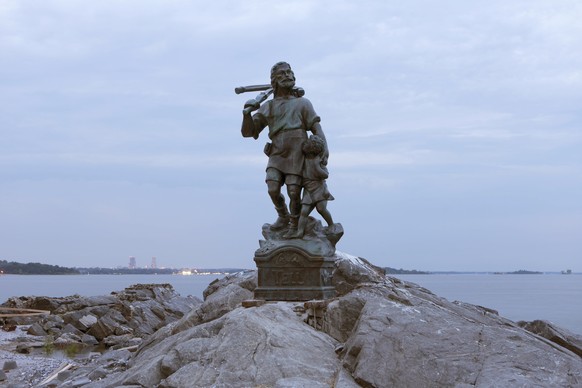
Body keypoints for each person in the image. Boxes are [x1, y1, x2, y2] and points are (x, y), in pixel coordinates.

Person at [241, 62, 328, 231]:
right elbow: (249, 132)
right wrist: (246, 115)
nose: (287, 75)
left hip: (297, 151)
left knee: (294, 192)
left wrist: (324, 148)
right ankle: (283, 216)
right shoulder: (269, 106)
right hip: (277, 151)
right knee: (272, 188)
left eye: (289, 72)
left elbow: (317, 128)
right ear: (274, 80)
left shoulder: (303, 103)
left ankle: (294, 224)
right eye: (282, 73)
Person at [284, 135, 335, 239]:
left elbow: (325, 175)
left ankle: (331, 225)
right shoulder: (303, 160)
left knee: (321, 209)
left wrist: (316, 166)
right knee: (304, 212)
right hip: (308, 191)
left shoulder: (319, 161)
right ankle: (299, 232)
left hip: (319, 189)